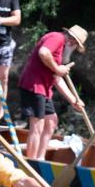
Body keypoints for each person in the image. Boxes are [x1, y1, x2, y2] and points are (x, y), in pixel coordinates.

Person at [17, 24, 89, 160]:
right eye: (73, 41)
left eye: (76, 44)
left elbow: (57, 79)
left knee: (51, 122)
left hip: (44, 89)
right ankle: (32, 162)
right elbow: (43, 52)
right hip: (34, 85)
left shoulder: (61, 50)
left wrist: (73, 100)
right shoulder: (57, 38)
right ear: (70, 38)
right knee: (37, 125)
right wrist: (57, 68)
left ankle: (40, 158)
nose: (73, 45)